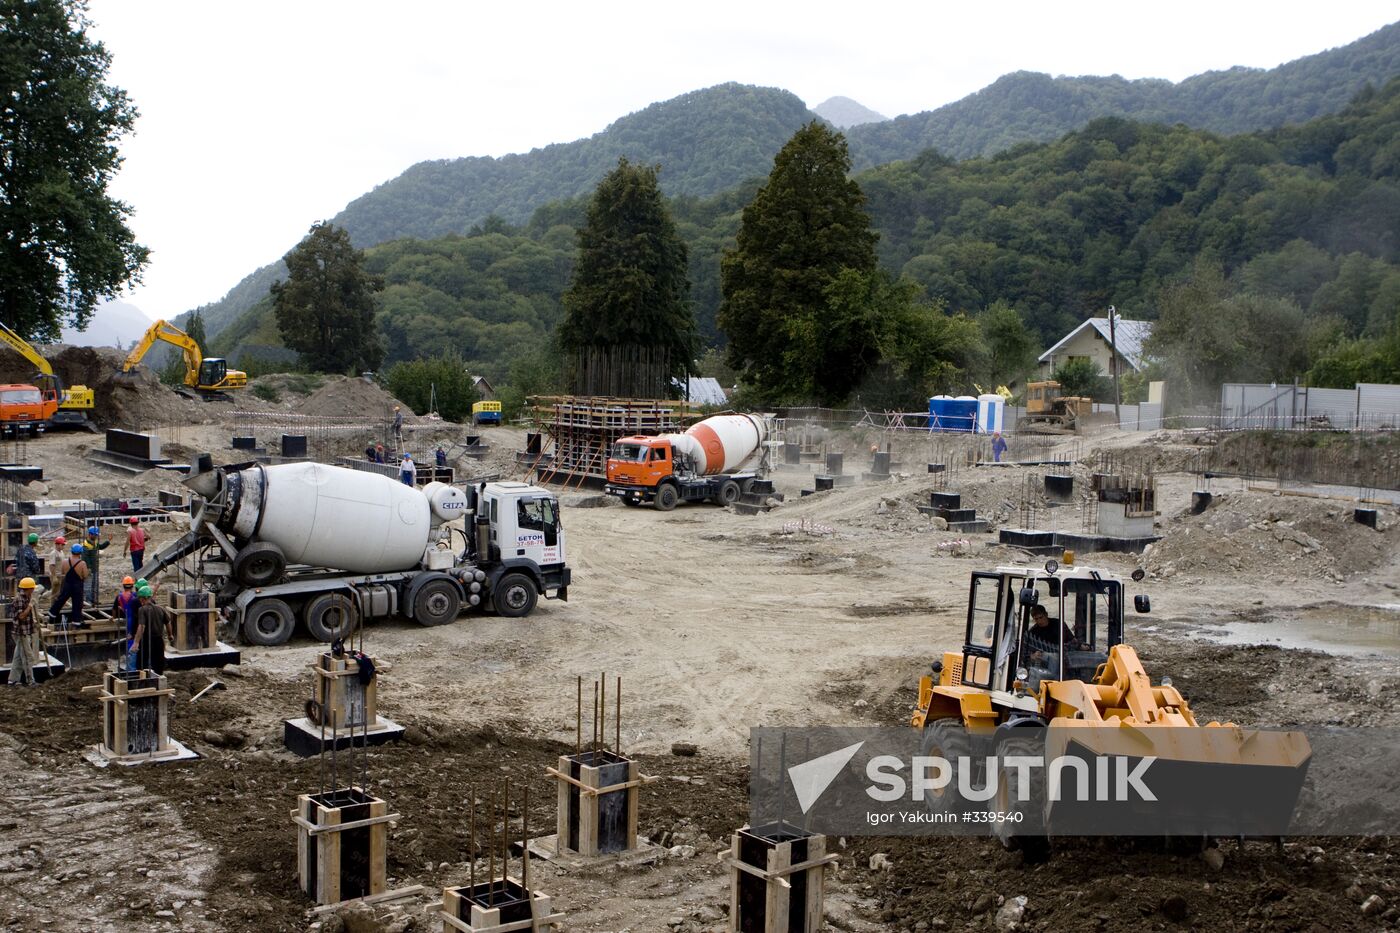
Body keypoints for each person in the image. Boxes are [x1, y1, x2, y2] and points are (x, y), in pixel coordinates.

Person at [1024, 604, 1082, 677]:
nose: (1039, 621)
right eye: (1036, 619)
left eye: (1041, 617)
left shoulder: (1059, 624)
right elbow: (1027, 652)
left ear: (1046, 614)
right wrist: (1033, 655)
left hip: (1063, 656)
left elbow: (1072, 641)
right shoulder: (1033, 632)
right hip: (1044, 661)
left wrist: (1079, 645)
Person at [48, 543, 89, 628]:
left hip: (67, 584)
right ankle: (76, 622)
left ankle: (52, 615)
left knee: (61, 600)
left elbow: (63, 572)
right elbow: (85, 575)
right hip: (77, 586)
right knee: (77, 604)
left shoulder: (65, 562)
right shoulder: (82, 563)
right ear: (80, 553)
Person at [9, 578, 40, 686]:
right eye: (33, 588)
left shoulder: (27, 597)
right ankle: (30, 681)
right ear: (29, 589)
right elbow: (21, 616)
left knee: (18, 657)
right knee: (27, 656)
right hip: (21, 633)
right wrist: (30, 606)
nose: (33, 590)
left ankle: (12, 680)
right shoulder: (19, 599)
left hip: (26, 631)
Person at [132, 585, 169, 675]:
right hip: (159, 640)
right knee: (158, 664)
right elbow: (168, 623)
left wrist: (136, 643)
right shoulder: (161, 609)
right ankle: (159, 680)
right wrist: (170, 635)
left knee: (141, 664)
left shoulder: (142, 609)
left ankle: (143, 681)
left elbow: (141, 626)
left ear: (143, 598)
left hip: (146, 640)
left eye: (140, 598)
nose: (140, 601)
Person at [113, 576, 140, 668]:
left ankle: (131, 662)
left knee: (130, 640)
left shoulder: (119, 596)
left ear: (123, 585)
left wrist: (114, 618)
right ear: (132, 586)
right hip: (134, 619)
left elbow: (114, 609)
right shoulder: (135, 596)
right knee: (134, 639)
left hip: (127, 618)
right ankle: (133, 664)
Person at [81, 526, 109, 605]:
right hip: (89, 569)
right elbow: (84, 558)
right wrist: (88, 568)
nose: (96, 536)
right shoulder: (85, 545)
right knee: (88, 586)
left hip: (95, 568)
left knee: (95, 585)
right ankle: (88, 601)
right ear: (90, 534)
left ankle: (94, 600)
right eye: (95, 535)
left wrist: (108, 542)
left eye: (97, 535)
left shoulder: (95, 542)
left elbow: (100, 547)